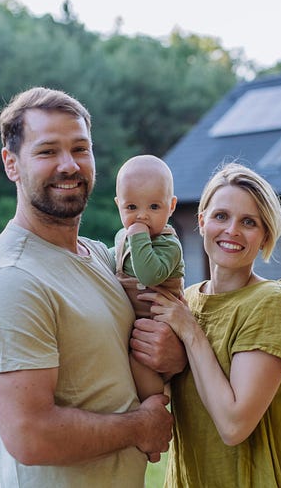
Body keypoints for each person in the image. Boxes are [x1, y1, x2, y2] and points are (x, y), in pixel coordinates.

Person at [0, 86, 174, 488]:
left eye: (80, 149)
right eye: (47, 152)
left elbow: (157, 336)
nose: (69, 166)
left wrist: (172, 352)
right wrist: (139, 427)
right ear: (11, 164)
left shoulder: (102, 257)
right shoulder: (10, 278)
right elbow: (30, 434)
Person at [138, 162, 281, 487]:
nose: (232, 231)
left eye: (249, 222)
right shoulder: (184, 302)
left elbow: (233, 426)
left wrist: (189, 333)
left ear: (265, 234)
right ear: (201, 222)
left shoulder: (271, 302)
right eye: (220, 216)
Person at [111, 154, 185, 400]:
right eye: (131, 207)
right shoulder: (124, 236)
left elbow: (149, 274)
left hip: (160, 326)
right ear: (118, 205)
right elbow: (117, 261)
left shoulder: (169, 245)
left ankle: (154, 403)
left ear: (171, 206)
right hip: (137, 323)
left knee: (139, 362)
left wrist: (138, 236)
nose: (142, 216)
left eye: (154, 207)